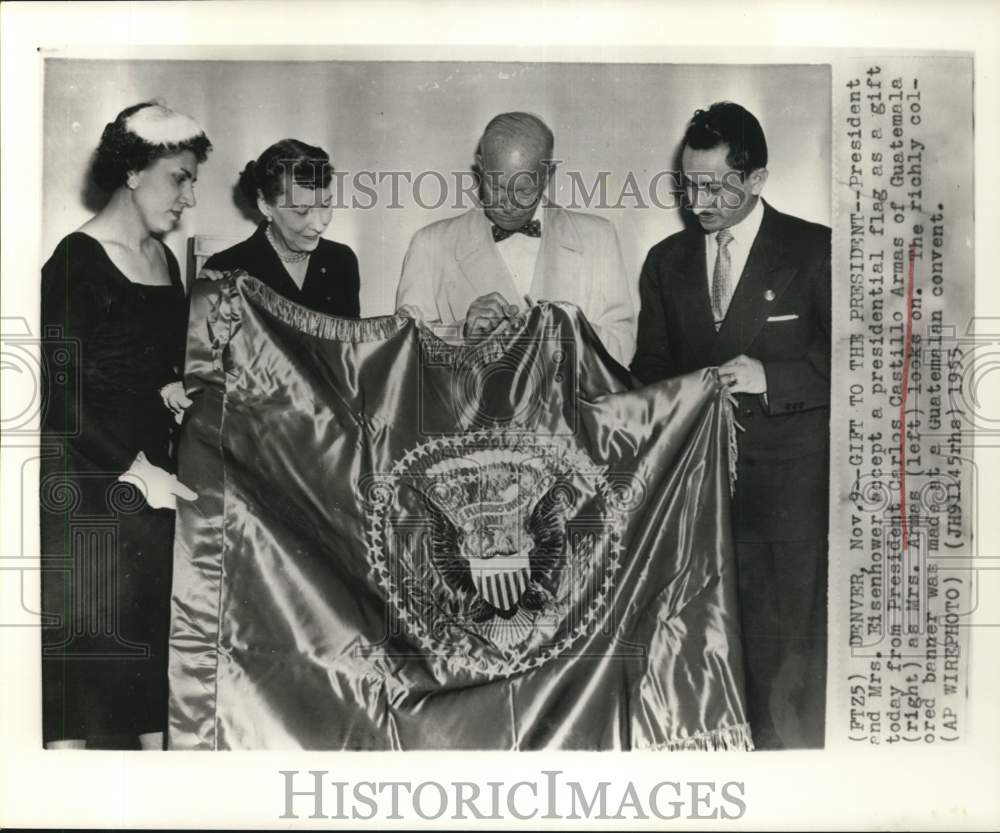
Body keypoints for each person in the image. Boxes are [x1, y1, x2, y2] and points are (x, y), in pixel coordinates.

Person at [630, 102, 831, 749]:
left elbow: (864, 364)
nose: (699, 201)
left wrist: (773, 379)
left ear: (759, 178)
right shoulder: (665, 262)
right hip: (695, 507)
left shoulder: (815, 249)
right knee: (707, 669)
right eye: (689, 185)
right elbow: (649, 372)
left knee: (786, 674)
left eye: (716, 185)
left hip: (786, 504)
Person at [40, 101, 210, 749]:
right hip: (86, 500)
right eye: (179, 178)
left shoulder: (163, 262)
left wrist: (168, 383)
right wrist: (137, 470)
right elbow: (55, 395)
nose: (188, 195)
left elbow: (143, 363)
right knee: (82, 693)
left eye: (193, 179)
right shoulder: (77, 262)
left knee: (146, 680)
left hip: (148, 497)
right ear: (134, 172)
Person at [395, 111, 635, 365]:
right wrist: (461, 332)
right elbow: (401, 352)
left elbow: (623, 346)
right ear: (480, 166)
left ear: (548, 175)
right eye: (496, 186)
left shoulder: (599, 237)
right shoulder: (430, 244)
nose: (507, 204)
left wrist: (564, 331)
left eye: (523, 189)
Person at [204, 139, 360, 317]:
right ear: (265, 205)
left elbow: (351, 342)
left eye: (325, 205)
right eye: (302, 211)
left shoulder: (341, 261)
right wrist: (202, 298)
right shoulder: (226, 268)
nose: (319, 225)